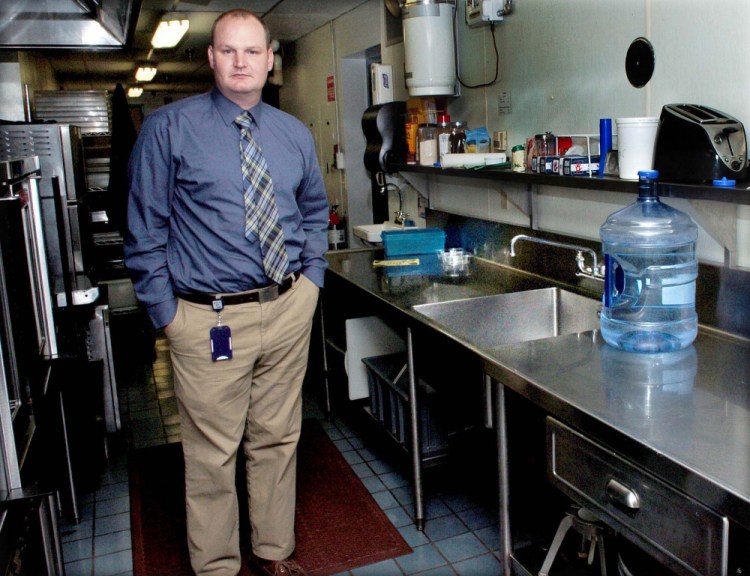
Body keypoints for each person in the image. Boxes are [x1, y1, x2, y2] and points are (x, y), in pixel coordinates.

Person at [124, 8, 329, 576]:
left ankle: (274, 553)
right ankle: (217, 566)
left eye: (252, 51)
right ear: (211, 58)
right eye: (228, 51)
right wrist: (167, 316)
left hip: (287, 307)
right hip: (207, 320)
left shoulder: (293, 134)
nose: (241, 62)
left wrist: (311, 282)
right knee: (212, 456)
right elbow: (144, 230)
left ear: (269, 59)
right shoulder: (170, 129)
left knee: (277, 439)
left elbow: (314, 213)